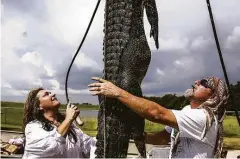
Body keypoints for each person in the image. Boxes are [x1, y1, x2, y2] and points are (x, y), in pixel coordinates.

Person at [88, 76, 229, 158]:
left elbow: (157, 114)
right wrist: (140, 136)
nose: (197, 81)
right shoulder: (187, 111)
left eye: (204, 83)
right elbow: (164, 137)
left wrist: (117, 92)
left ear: (214, 96)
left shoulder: (205, 118)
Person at [22, 88, 96, 158]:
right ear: (39, 106)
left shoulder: (71, 127)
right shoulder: (32, 127)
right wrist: (68, 119)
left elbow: (88, 145)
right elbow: (51, 147)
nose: (53, 94)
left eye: (50, 93)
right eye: (46, 94)